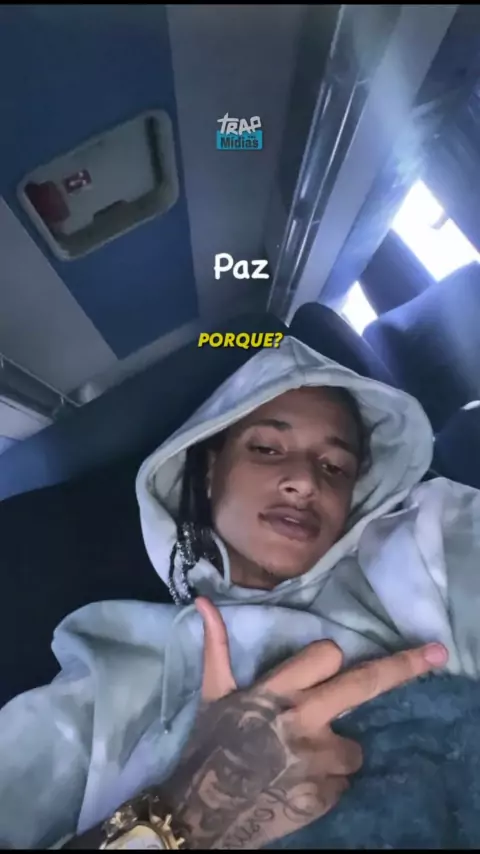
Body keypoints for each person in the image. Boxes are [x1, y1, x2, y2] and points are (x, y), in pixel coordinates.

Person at [1, 335, 479, 848]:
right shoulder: (110, 662)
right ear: (210, 471)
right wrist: (181, 814)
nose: (305, 482)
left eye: (335, 468)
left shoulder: (419, 546)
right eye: (267, 449)